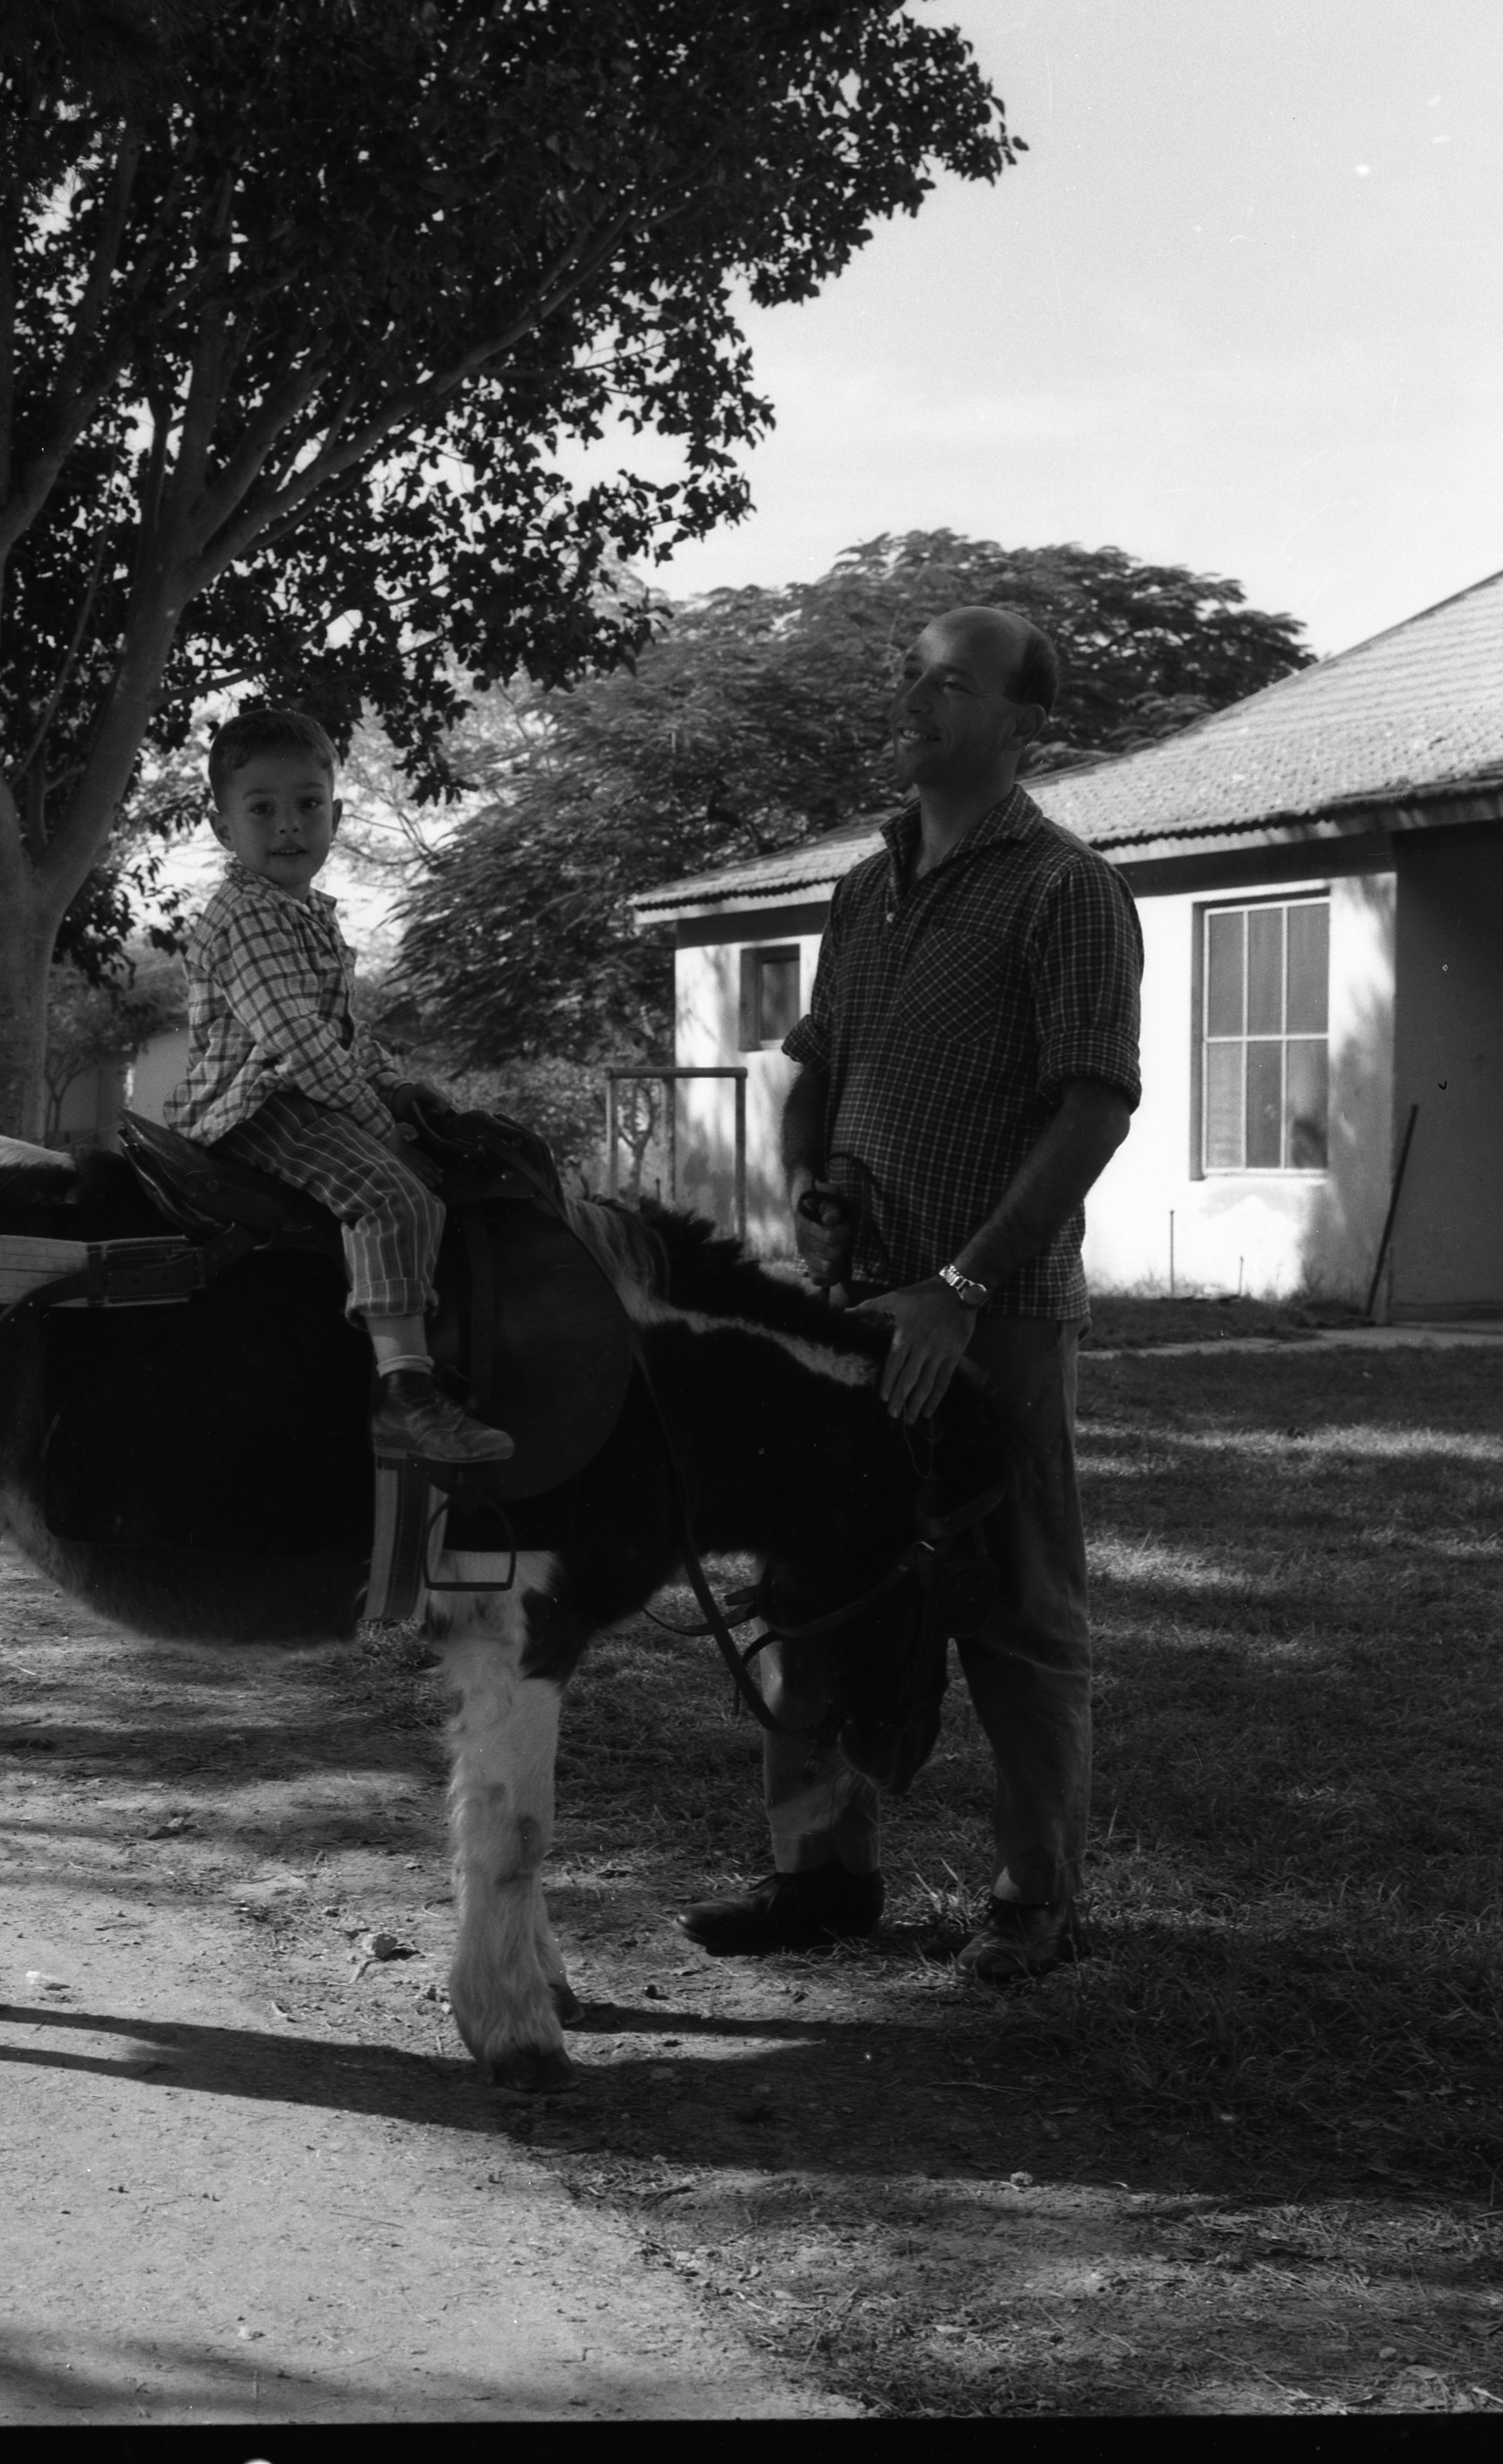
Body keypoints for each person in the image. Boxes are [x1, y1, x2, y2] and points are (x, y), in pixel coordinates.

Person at [678, 606, 1143, 1983]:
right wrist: (804, 1189)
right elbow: (816, 1057)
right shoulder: (862, 887)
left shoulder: (1065, 888)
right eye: (911, 679)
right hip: (852, 1307)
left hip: (988, 1317)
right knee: (812, 1579)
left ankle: (1033, 1902)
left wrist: (956, 1285)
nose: (917, 702)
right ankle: (819, 1878)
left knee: (1011, 1600)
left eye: (950, 685)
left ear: (1019, 722)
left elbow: (1095, 1107)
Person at [164, 705, 514, 1467]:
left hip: (298, 1088)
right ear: (224, 829)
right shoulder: (248, 919)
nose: (288, 825)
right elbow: (299, 1043)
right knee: (394, 1196)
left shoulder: (305, 914)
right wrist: (381, 1131)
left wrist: (399, 1090)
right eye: (262, 809)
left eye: (307, 805)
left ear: (336, 814)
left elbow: (347, 1040)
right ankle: (404, 1395)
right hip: (254, 1107)